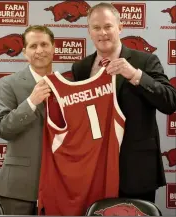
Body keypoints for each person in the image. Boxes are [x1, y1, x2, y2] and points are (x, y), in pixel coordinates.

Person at [71, 2, 176, 203]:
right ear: (89, 31)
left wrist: (136, 75)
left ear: (120, 27)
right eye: (96, 27)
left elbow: (170, 102)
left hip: (135, 170)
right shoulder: (80, 68)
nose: (103, 33)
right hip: (94, 169)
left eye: (108, 26)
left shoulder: (145, 61)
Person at [0, 25, 54, 215]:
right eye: (33, 46)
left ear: (54, 48)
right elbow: (1, 128)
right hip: (18, 187)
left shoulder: (68, 84)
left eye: (44, 44)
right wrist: (31, 102)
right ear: (25, 52)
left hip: (58, 187)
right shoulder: (7, 84)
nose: (40, 50)